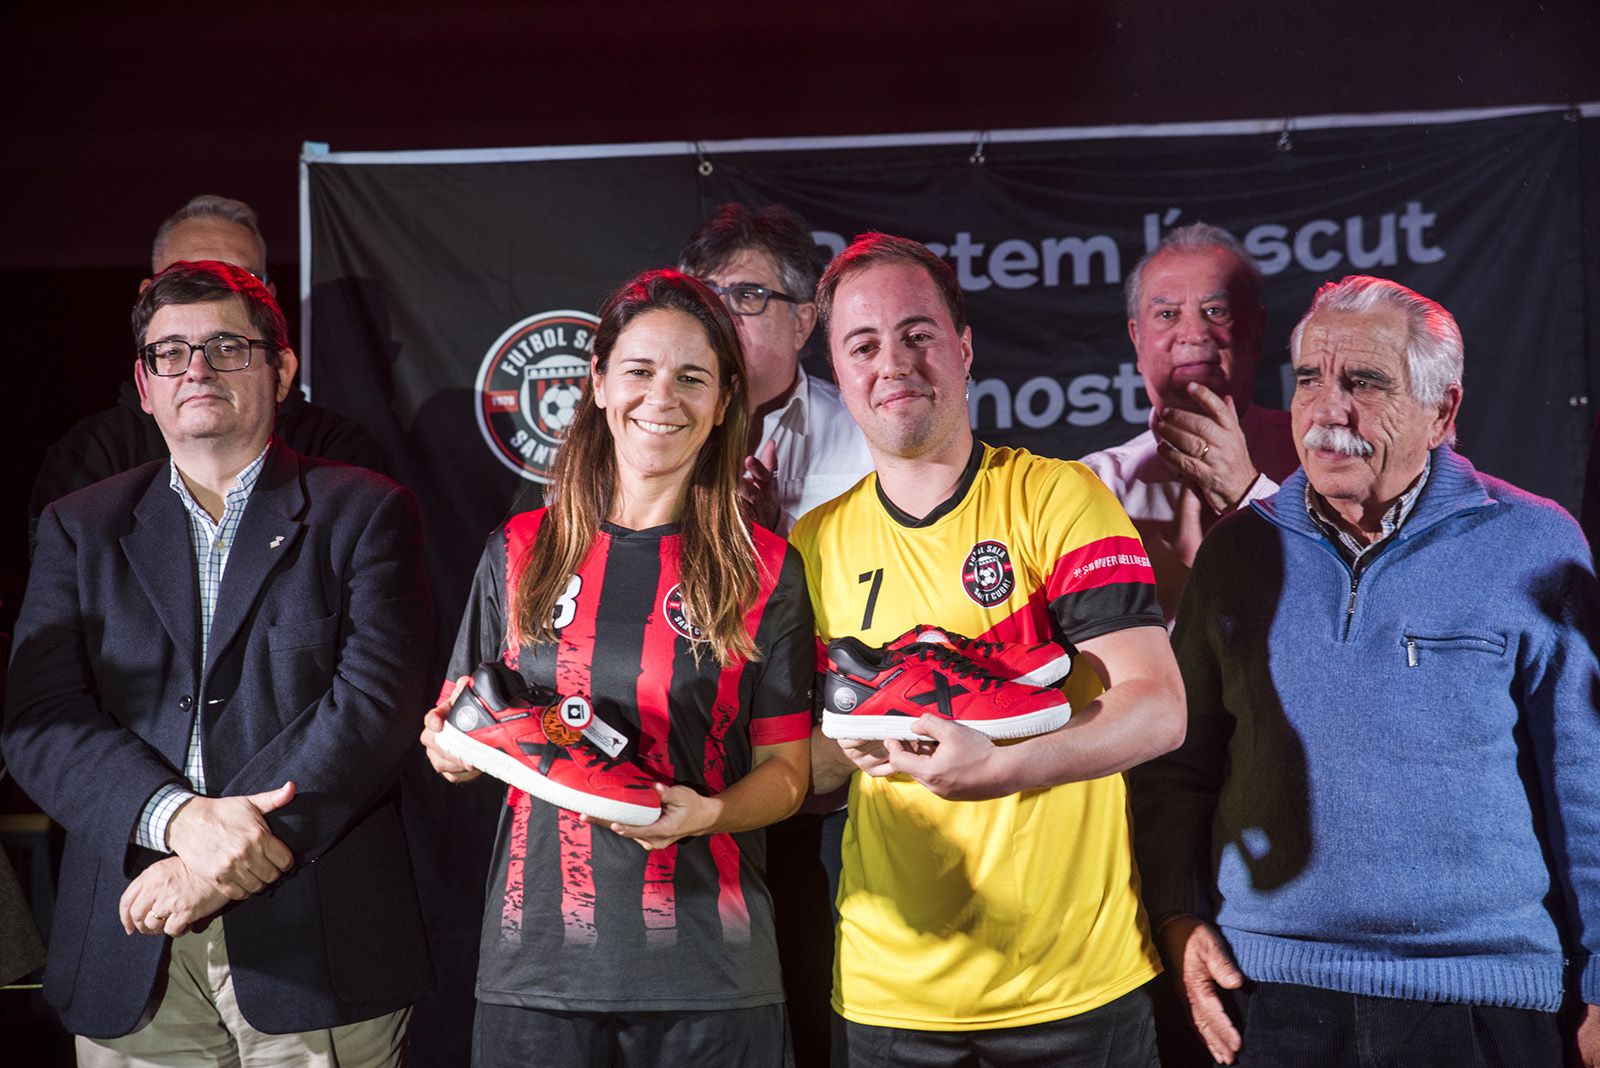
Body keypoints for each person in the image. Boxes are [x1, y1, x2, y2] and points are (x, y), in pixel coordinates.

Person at [1130, 275, 1600, 1067]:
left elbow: (1585, 780)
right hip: (1267, 1002)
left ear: (1443, 412)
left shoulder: (1534, 544)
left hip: (1481, 1003)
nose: (1326, 412)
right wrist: (1176, 916)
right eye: (1310, 379)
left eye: (1364, 383)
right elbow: (1178, 766)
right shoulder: (1241, 551)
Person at [4, 260, 434, 1063]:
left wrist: (216, 868)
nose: (196, 368)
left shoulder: (367, 512)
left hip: (317, 944)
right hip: (132, 939)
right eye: (171, 352)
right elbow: (39, 720)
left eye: (226, 347)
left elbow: (375, 710)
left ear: (281, 368)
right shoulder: (79, 526)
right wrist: (177, 819)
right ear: (144, 384)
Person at [792, 233, 1186, 1065]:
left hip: (1075, 985)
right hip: (890, 989)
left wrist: (999, 766)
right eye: (863, 345)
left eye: (918, 333)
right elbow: (818, 771)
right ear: (837, 375)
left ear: (964, 350)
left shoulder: (1059, 498)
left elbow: (1156, 708)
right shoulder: (814, 546)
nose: (893, 361)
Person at [419, 269, 814, 1066]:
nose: (660, 397)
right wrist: (450, 755)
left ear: (724, 398)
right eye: (638, 370)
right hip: (538, 975)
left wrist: (706, 814)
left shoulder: (766, 569)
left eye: (691, 377)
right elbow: (455, 726)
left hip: (712, 970)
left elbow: (787, 773)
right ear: (598, 382)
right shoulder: (520, 550)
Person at [28, 194, 384, 555]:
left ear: (270, 301)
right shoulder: (91, 455)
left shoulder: (338, 455)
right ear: (146, 298)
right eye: (187, 278)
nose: (212, 300)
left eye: (239, 279)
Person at [1080, 222, 1299, 621]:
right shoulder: (1092, 489)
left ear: (1257, 329)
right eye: (1167, 314)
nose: (1194, 333)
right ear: (1136, 338)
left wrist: (1249, 493)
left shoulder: (1317, 459)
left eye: (1216, 312)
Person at [678, 201, 873, 535]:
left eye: (747, 295)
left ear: (802, 323)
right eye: (707, 294)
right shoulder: (650, 425)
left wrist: (777, 528)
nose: (721, 315)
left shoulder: (865, 435)